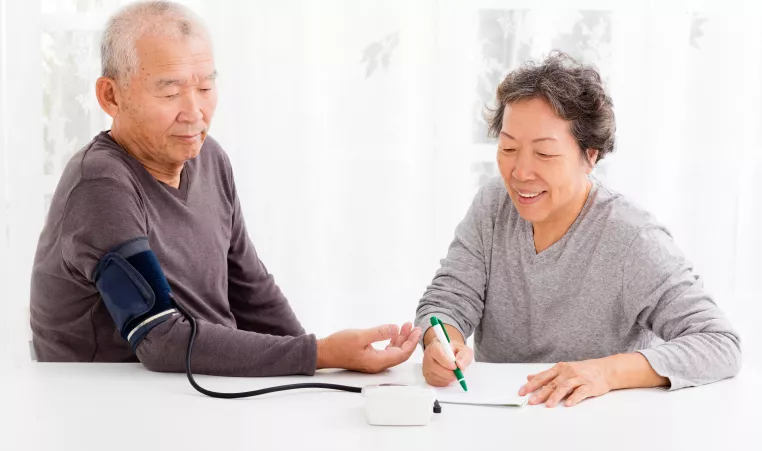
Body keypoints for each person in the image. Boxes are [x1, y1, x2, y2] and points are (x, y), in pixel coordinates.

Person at [29, 1, 421, 376]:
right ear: (110, 96)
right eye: (170, 92)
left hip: (202, 387)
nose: (195, 112)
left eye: (204, 88)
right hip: (112, 405)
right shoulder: (101, 185)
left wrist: (324, 365)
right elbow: (161, 338)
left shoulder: (208, 158)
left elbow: (251, 291)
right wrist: (319, 353)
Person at [415, 51, 741, 407]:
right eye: (508, 147)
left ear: (591, 155)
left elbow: (719, 342)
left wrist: (606, 372)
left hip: (599, 426)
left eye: (544, 154)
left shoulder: (632, 238)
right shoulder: (493, 205)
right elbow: (446, 301)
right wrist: (443, 344)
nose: (520, 172)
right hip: (499, 418)